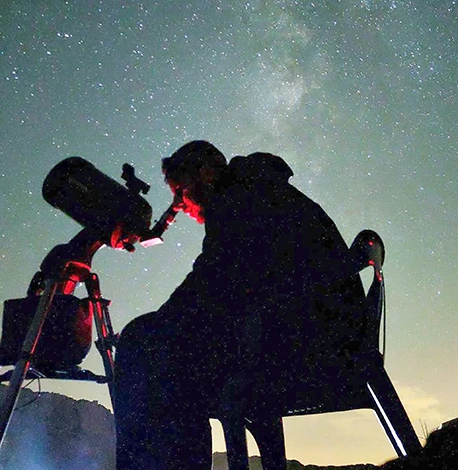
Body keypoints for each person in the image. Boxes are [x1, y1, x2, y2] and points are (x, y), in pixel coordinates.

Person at [114, 141, 366, 470]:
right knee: (170, 351)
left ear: (204, 173)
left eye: (180, 190)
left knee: (141, 342)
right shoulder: (257, 189)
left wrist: (160, 323)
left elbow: (213, 279)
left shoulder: (236, 197)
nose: (180, 205)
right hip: (324, 332)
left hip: (310, 344)